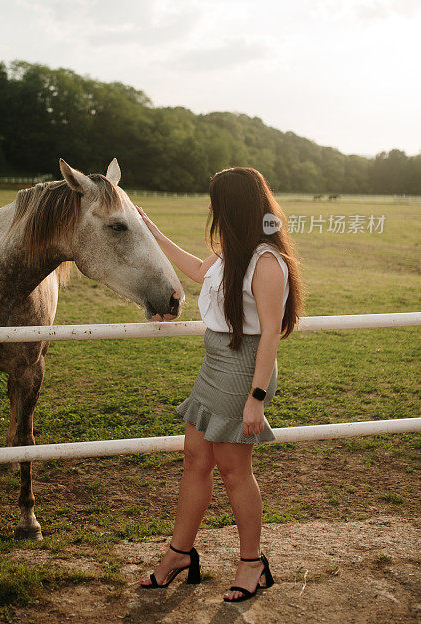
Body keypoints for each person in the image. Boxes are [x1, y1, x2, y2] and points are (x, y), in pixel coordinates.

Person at [136, 167, 304, 602]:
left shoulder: (268, 261)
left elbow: (270, 334)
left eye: (215, 200)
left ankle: (252, 563)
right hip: (214, 363)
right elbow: (195, 270)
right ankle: (179, 553)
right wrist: (150, 229)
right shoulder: (232, 248)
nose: (209, 207)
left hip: (243, 369)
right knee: (195, 458)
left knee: (233, 471)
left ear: (233, 205)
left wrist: (257, 399)